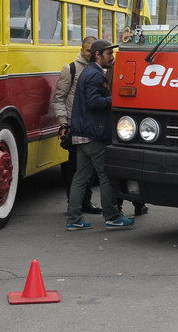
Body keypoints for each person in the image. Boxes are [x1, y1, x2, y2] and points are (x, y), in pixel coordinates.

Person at [66, 40, 136, 231]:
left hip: (82, 133)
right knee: (106, 176)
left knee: (81, 177)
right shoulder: (95, 75)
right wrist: (117, 98)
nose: (111, 57)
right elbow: (94, 101)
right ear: (98, 55)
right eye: (108, 54)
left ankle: (74, 219)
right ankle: (112, 216)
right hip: (93, 134)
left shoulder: (89, 72)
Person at [52, 36, 101, 215]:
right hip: (75, 126)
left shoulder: (100, 67)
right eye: (88, 50)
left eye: (94, 51)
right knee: (75, 169)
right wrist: (63, 123)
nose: (91, 54)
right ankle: (73, 206)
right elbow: (59, 99)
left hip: (94, 126)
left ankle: (86, 203)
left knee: (91, 170)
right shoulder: (70, 69)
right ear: (82, 50)